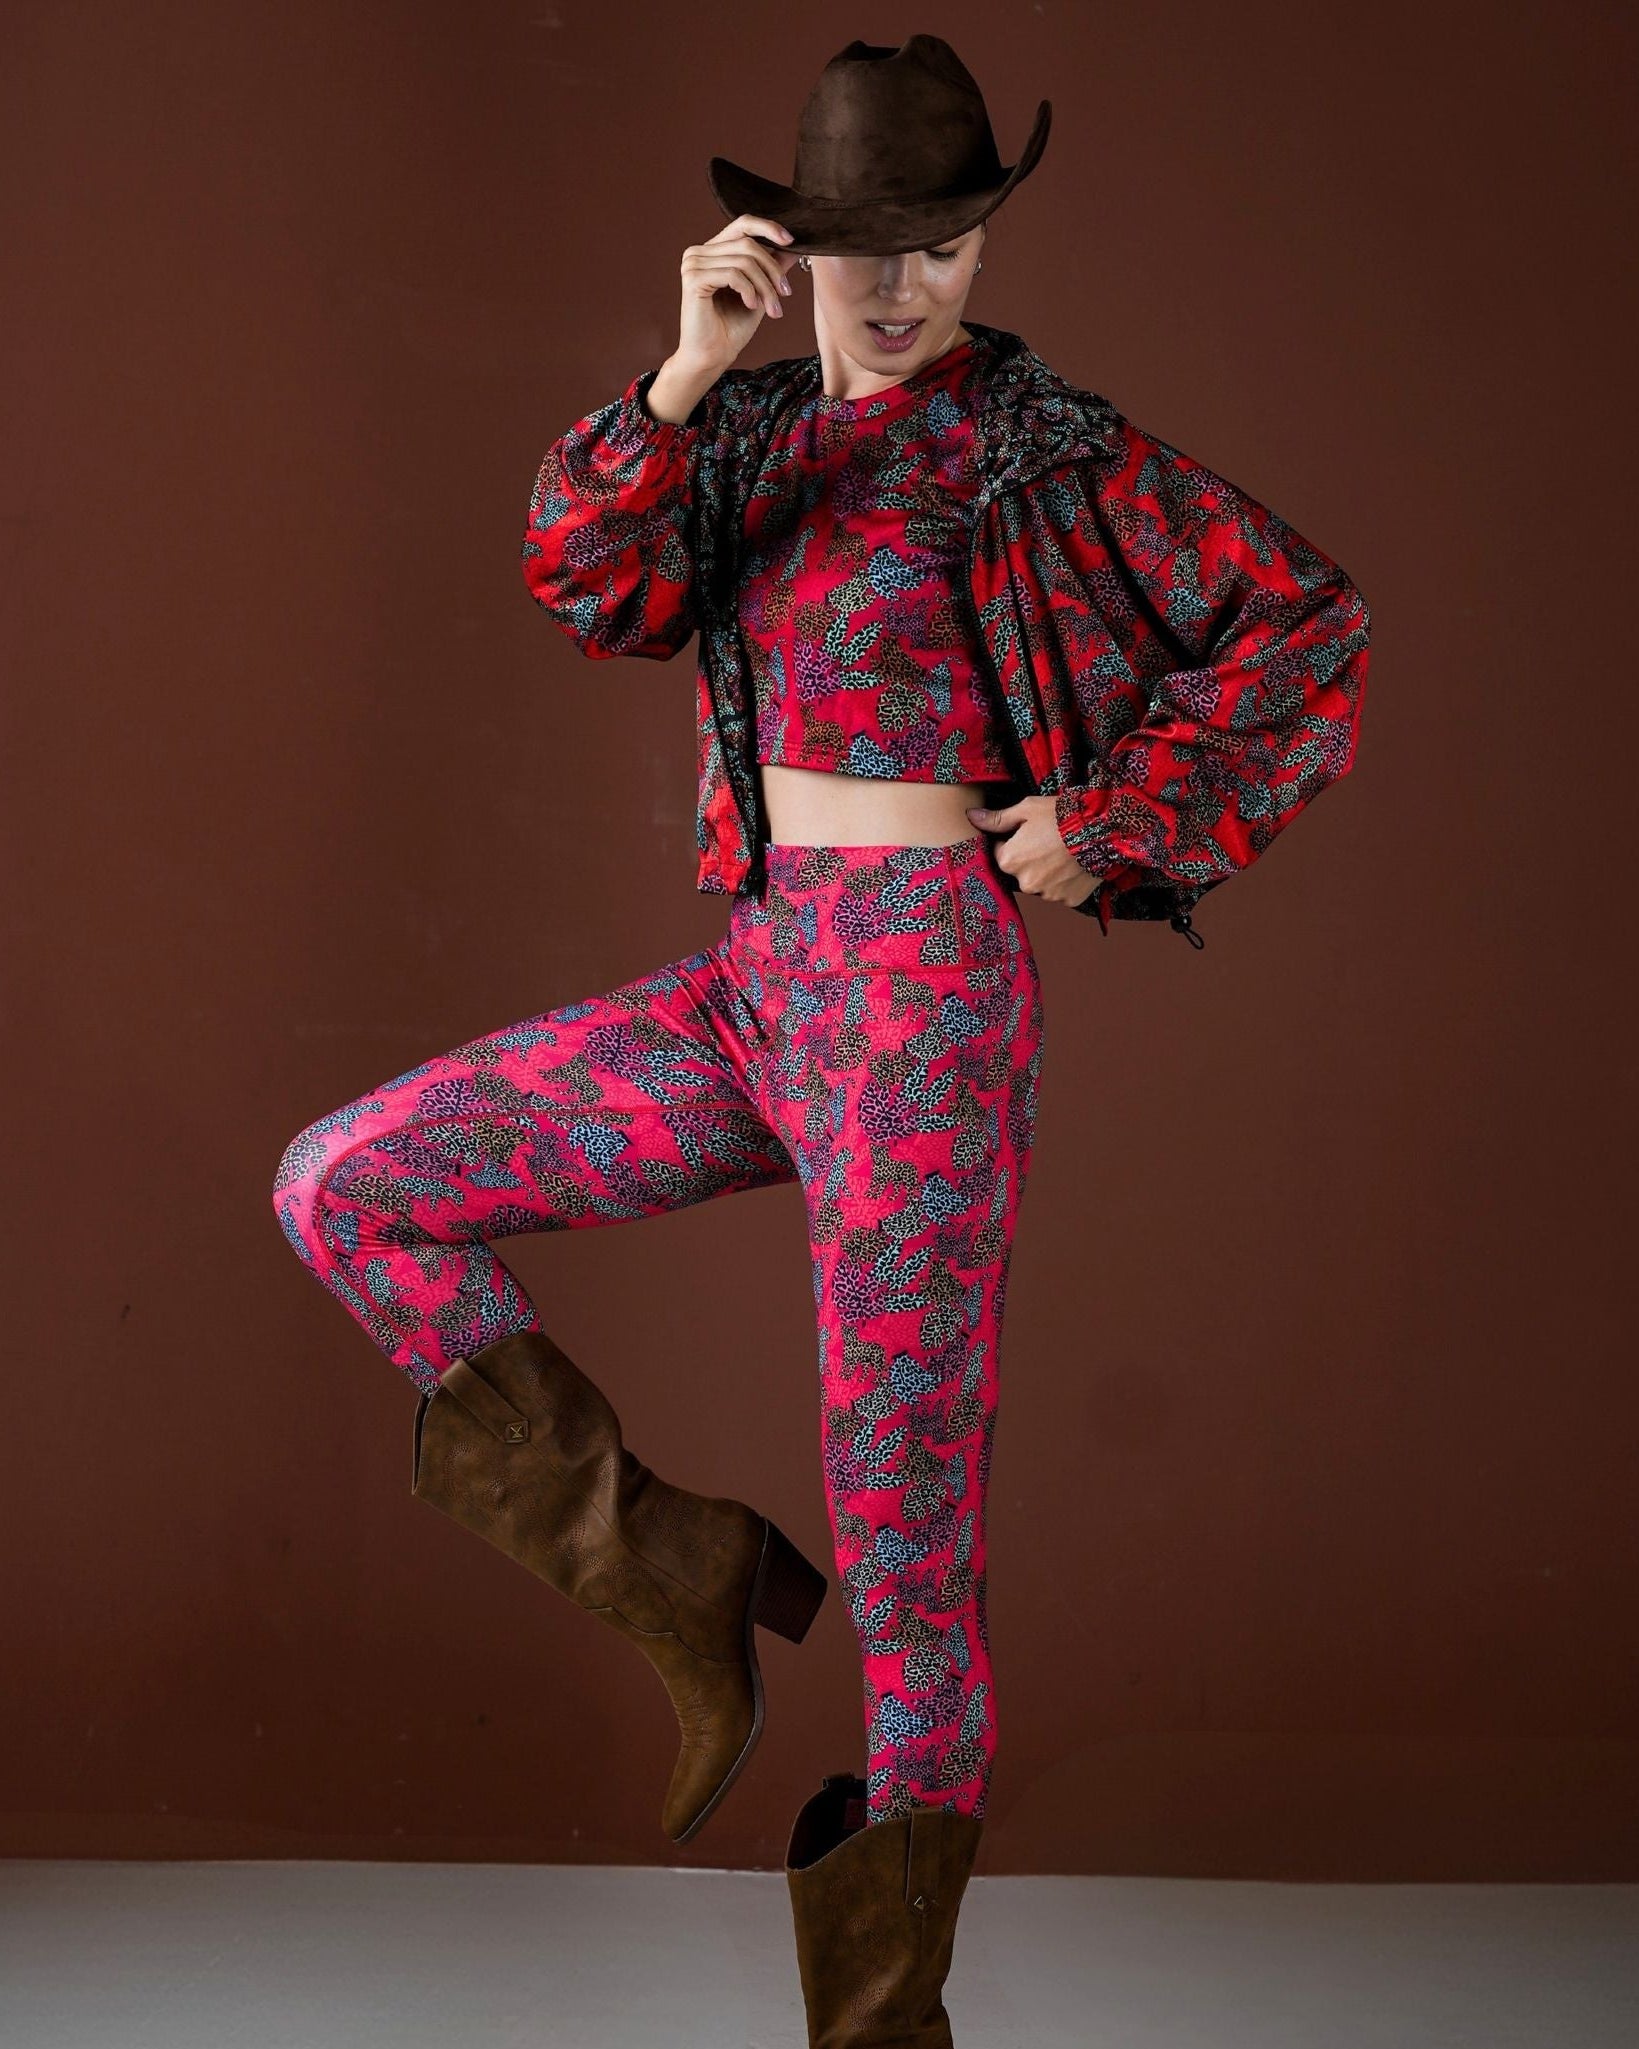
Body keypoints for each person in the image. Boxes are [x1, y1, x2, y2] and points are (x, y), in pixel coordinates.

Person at [273, 34, 1370, 2048]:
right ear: (784, 243)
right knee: (345, 1180)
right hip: (755, 983)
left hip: (928, 997)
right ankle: (677, 1564)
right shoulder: (748, 432)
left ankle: (880, 2023)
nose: (895, 284)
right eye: (858, 243)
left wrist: (1111, 825)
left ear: (982, 239)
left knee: (900, 1530)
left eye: (938, 240)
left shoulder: (1046, 443)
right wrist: (680, 369)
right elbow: (583, 579)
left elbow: (1306, 628)